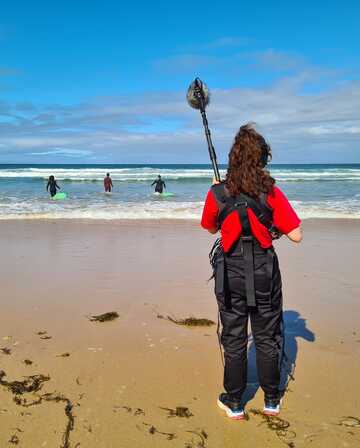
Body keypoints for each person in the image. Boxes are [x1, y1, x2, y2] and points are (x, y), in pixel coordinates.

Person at [201, 123, 302, 420]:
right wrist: (274, 228)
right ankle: (272, 399)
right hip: (263, 270)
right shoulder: (270, 192)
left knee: (233, 336)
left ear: (233, 159)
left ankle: (234, 402)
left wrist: (220, 197)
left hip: (230, 272)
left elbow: (209, 228)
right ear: (262, 159)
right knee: (267, 335)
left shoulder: (219, 192)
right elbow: (296, 234)